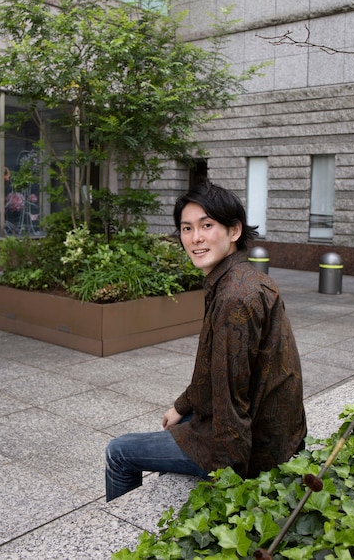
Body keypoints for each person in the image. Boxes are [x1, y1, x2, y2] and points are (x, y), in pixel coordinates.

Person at [105, 179, 306, 502]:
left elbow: (232, 401)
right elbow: (216, 373)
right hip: (276, 434)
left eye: (207, 225)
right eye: (186, 228)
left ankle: (118, 536)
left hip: (257, 451)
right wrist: (182, 407)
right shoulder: (244, 278)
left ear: (234, 231)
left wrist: (230, 485)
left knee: (118, 452)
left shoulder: (234, 298)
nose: (195, 238)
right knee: (177, 422)